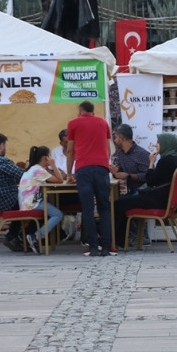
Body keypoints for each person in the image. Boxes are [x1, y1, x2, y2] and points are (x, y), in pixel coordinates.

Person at [113, 132, 177, 246]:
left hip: (158, 200)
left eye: (158, 142)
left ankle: (117, 241)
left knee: (118, 203)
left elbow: (151, 181)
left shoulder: (166, 160)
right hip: (166, 200)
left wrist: (151, 163)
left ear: (166, 144)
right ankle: (122, 239)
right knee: (125, 200)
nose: (156, 145)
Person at [66, 100, 113, 257]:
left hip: (83, 169)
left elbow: (71, 151)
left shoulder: (73, 123)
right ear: (93, 111)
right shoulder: (103, 123)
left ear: (80, 110)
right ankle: (106, 246)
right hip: (101, 168)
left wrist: (69, 174)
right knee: (104, 208)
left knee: (87, 209)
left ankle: (92, 246)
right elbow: (108, 149)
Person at [18, 145, 66, 253]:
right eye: (49, 156)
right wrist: (53, 165)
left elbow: (57, 178)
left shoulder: (35, 168)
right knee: (58, 214)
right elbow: (60, 180)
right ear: (45, 158)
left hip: (29, 200)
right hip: (31, 202)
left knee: (50, 203)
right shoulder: (38, 170)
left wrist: (50, 168)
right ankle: (36, 236)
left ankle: (37, 236)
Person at [109, 124, 150, 195]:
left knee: (118, 204)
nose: (114, 141)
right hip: (131, 191)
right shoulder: (120, 153)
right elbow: (122, 172)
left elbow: (147, 176)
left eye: (115, 137)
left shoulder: (142, 154)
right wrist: (116, 172)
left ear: (121, 138)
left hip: (144, 191)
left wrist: (128, 176)